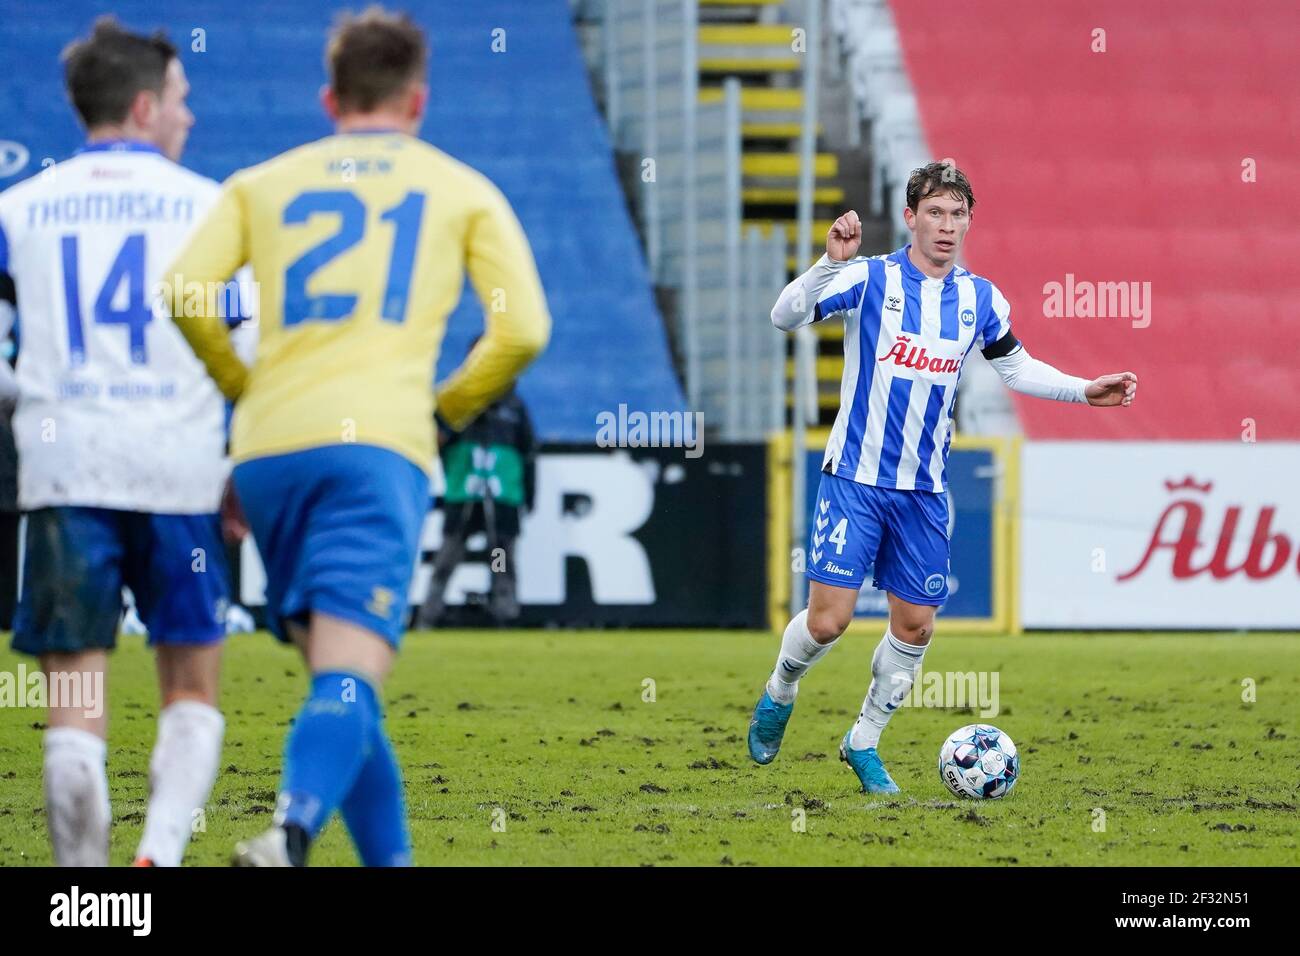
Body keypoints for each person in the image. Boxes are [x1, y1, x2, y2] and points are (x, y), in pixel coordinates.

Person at [165, 7, 550, 865]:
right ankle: (291, 830)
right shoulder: (460, 188)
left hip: (267, 453)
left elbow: (187, 290)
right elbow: (522, 329)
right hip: (376, 449)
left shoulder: (261, 183)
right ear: (418, 99)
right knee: (349, 677)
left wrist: (245, 394)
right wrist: (445, 411)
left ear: (329, 95)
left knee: (343, 683)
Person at [748, 162, 1137, 793]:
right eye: (935, 213)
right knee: (828, 623)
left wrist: (1083, 390)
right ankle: (780, 689)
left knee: (916, 626)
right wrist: (827, 262)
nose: (947, 226)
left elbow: (1015, 368)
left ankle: (863, 742)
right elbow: (784, 316)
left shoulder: (980, 299)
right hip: (855, 477)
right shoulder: (870, 277)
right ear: (910, 217)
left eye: (958, 215)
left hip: (925, 491)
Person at [0, 18, 233, 866]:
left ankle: (87, 890)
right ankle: (159, 857)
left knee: (72, 697)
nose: (188, 117)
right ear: (143, 107)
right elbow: (244, 347)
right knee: (192, 685)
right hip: (180, 472)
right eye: (180, 99)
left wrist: (28, 397)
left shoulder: (18, 209)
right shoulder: (212, 210)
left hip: (67, 472)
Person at [417, 362, 536, 628]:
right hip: (463, 497)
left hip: (503, 498)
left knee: (500, 559)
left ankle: (503, 615)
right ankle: (428, 617)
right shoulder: (458, 404)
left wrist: (529, 495)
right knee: (448, 557)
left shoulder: (514, 408)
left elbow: (528, 453)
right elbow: (433, 439)